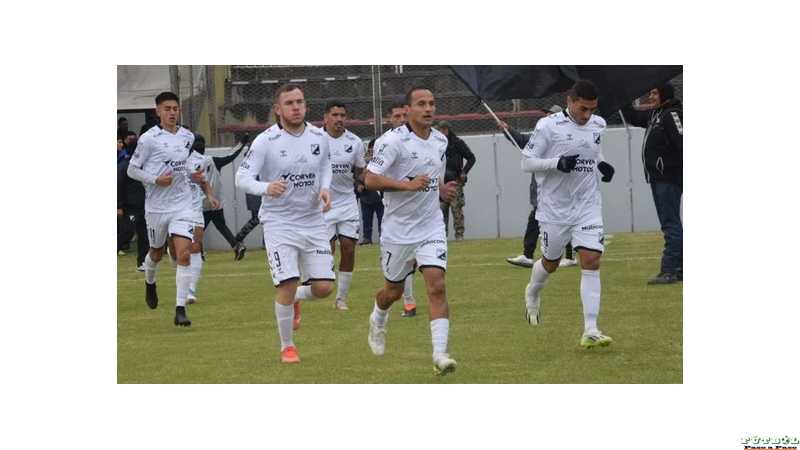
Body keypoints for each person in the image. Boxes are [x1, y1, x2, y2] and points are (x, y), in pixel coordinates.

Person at [235, 83, 335, 364]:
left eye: (300, 102)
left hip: (313, 221)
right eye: (289, 103)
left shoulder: (319, 136)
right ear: (278, 109)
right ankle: (287, 347)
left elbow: (325, 166)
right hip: (279, 223)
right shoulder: (265, 141)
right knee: (287, 283)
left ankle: (297, 298)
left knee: (324, 288)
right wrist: (266, 188)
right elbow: (242, 178)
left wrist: (325, 188)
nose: (296, 107)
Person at [364, 86, 460, 375]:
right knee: (392, 292)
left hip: (431, 226)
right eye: (421, 104)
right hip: (398, 230)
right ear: (407, 110)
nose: (428, 108)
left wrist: (441, 189)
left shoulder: (440, 140)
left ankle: (440, 354)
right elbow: (370, 179)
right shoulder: (392, 141)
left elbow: (431, 176)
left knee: (437, 285)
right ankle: (378, 318)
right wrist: (406, 186)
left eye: (431, 103)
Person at [519, 80, 616, 348]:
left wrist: (602, 165)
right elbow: (526, 162)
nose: (588, 115)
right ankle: (533, 291)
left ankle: (591, 329)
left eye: (592, 109)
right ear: (570, 101)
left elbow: (594, 153)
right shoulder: (547, 126)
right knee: (550, 262)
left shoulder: (598, 124)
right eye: (583, 108)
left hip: (587, 206)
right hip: (554, 209)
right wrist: (557, 163)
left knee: (591, 260)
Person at [127, 91, 205, 326]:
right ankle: (150, 282)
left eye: (175, 109)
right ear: (158, 111)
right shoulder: (148, 139)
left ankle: (180, 309)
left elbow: (183, 166)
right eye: (167, 109)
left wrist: (192, 175)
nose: (172, 113)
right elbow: (132, 170)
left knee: (184, 254)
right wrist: (155, 180)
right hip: (156, 208)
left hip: (182, 205)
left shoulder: (187, 137)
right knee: (156, 253)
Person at [621, 83, 683, 284]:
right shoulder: (656, 114)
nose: (651, 97)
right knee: (671, 223)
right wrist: (622, 97)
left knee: (670, 224)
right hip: (659, 178)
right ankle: (679, 268)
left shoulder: (672, 114)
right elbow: (633, 116)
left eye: (655, 93)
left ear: (665, 94)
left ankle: (669, 270)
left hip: (669, 178)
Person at [374, 100, 418, 317]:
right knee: (402, 262)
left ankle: (411, 302)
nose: (401, 120)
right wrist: (404, 185)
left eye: (404, 115)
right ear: (389, 119)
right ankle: (406, 301)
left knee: (418, 262)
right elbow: (375, 177)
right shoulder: (384, 142)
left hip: (422, 212)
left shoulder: (424, 139)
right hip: (395, 212)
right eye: (397, 116)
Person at [322, 100, 366, 311]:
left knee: (348, 248)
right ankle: (320, 282)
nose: (339, 119)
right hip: (323, 204)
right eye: (335, 115)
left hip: (347, 202)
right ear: (326, 118)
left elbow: (360, 170)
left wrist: (365, 180)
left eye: (342, 115)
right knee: (327, 251)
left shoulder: (354, 141)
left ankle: (341, 299)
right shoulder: (315, 139)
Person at [193, 134, 250, 260]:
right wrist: (242, 143)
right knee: (221, 226)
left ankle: (198, 254)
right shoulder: (213, 161)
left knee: (196, 230)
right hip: (216, 202)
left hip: (199, 204)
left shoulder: (189, 163)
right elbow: (231, 155)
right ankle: (237, 246)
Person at [184, 144, 221, 304]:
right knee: (179, 252)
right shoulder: (168, 156)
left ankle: (191, 290)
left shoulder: (199, 160)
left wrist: (211, 196)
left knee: (195, 245)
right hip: (174, 207)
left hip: (194, 206)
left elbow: (203, 181)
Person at [434, 120, 476, 241]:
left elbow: (471, 158)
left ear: (447, 130)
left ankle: (459, 235)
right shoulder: (436, 144)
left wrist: (464, 172)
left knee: (456, 208)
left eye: (442, 129)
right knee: (441, 210)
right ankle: (442, 235)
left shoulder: (457, 143)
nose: (440, 132)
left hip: (455, 181)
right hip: (442, 182)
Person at [118, 150, 150, 270]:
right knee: (127, 231)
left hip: (144, 206)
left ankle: (142, 262)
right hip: (129, 206)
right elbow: (119, 185)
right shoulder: (125, 166)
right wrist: (119, 205)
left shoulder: (146, 165)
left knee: (144, 234)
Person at [357, 138, 384, 245]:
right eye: (370, 149)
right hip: (366, 196)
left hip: (380, 197)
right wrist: (359, 184)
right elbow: (356, 175)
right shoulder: (363, 162)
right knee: (366, 219)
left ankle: (382, 237)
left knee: (382, 219)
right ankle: (367, 238)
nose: (372, 152)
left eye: (374, 149)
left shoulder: (384, 162)